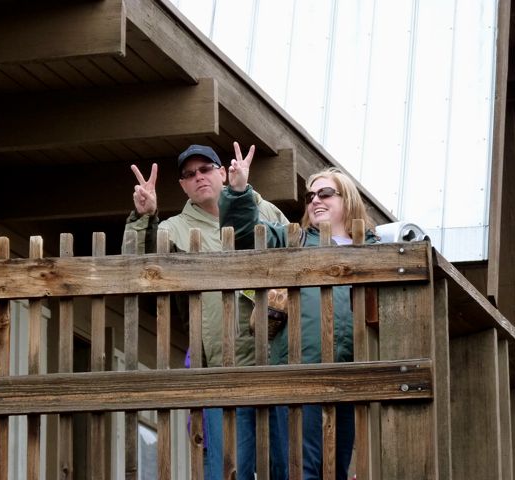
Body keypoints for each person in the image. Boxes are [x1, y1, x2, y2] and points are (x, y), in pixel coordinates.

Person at [125, 142, 289, 480]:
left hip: (280, 362)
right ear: (183, 186)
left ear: (222, 172)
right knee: (229, 469)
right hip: (222, 368)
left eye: (205, 169)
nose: (198, 177)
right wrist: (144, 218)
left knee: (288, 467)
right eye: (189, 174)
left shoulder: (267, 211)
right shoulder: (173, 229)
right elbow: (137, 271)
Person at [219, 154, 378, 480]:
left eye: (325, 193)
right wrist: (238, 191)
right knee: (300, 470)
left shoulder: (375, 247)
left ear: (347, 199)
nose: (315, 200)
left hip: (354, 376)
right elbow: (244, 235)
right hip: (300, 371)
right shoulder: (294, 239)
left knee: (337, 470)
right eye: (310, 196)